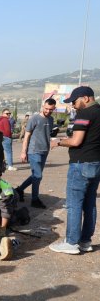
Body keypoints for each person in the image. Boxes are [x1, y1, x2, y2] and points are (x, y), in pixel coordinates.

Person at [49, 86, 100, 254]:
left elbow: (76, 141)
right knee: (90, 204)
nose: (74, 106)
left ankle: (71, 242)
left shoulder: (85, 114)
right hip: (96, 163)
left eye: (75, 101)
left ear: (85, 98)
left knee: (74, 204)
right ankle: (85, 241)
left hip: (81, 164)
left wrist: (58, 142)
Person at [15, 99, 56, 209]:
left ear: (54, 109)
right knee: (38, 176)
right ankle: (35, 199)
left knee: (36, 176)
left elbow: (47, 134)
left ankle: (19, 190)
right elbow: (27, 136)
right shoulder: (34, 118)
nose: (48, 111)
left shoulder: (51, 119)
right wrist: (23, 152)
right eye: (46, 108)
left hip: (45, 151)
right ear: (43, 106)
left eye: (51, 109)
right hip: (34, 151)